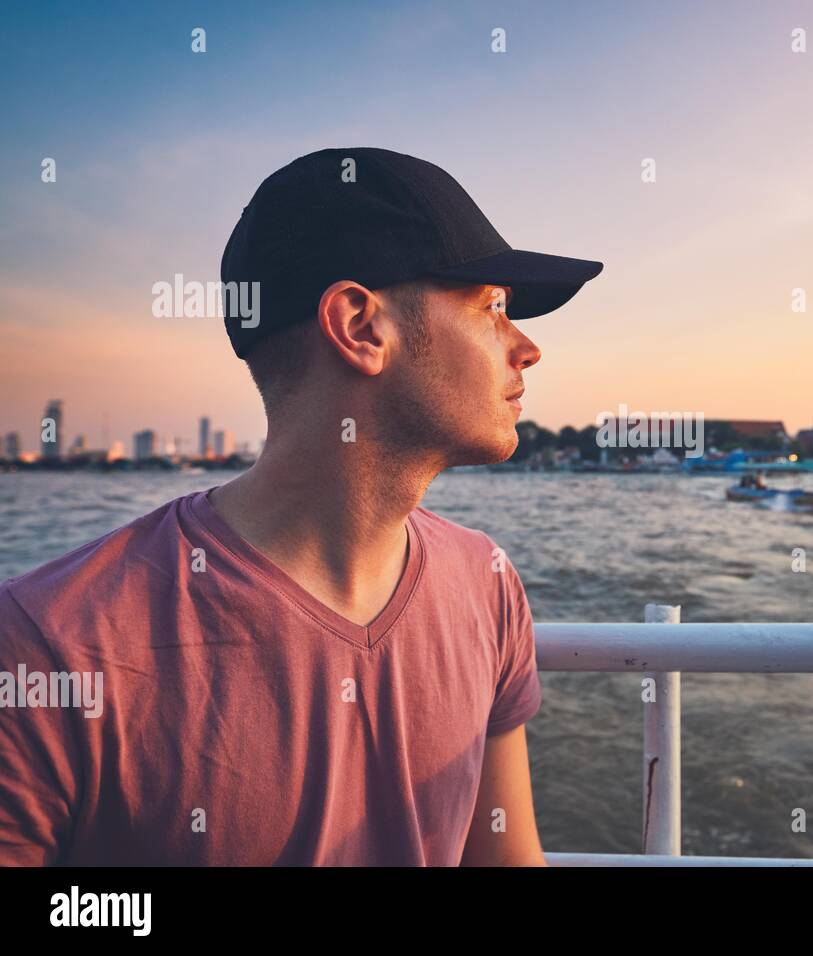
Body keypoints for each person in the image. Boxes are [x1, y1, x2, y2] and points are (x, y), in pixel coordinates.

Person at [0, 147, 603, 865]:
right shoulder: (48, 645)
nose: (527, 347)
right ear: (359, 326)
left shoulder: (488, 583)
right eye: (492, 307)